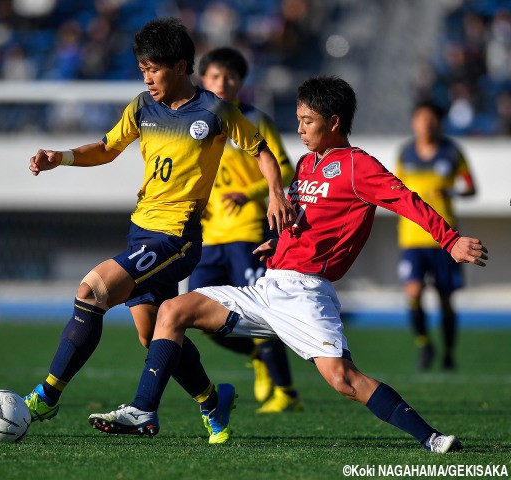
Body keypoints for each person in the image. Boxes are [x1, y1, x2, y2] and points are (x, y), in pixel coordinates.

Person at [89, 76, 488, 453]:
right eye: (297, 119)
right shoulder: (307, 163)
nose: (299, 128)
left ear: (334, 122)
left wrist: (449, 240)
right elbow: (304, 217)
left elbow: (406, 200)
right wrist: (277, 242)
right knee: (173, 310)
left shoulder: (357, 166)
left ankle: (432, 438)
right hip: (268, 286)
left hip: (306, 294)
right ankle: (144, 409)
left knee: (344, 380)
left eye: (307, 121)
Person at [23, 17, 294, 445]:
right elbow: (108, 148)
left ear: (182, 65)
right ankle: (212, 400)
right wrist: (63, 157)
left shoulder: (216, 111)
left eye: (155, 68)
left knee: (91, 290)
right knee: (155, 333)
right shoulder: (141, 107)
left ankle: (48, 394)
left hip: (176, 237)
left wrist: (275, 193)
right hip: (141, 231)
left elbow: (261, 150)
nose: (148, 78)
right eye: (143, 69)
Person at [189, 47, 301, 413]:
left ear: (241, 82)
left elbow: (284, 170)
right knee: (199, 316)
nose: (224, 82)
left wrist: (252, 192)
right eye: (216, 76)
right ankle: (255, 352)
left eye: (231, 76)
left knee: (265, 313)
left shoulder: (255, 120)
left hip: (249, 231)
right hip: (210, 237)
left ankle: (286, 393)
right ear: (203, 80)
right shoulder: (193, 124)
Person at [396, 100, 476, 372]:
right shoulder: (405, 153)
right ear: (414, 122)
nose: (425, 124)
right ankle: (424, 344)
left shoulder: (452, 152)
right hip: (412, 238)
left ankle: (449, 353)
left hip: (445, 240)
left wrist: (450, 193)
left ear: (438, 122)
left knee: (445, 299)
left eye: (430, 119)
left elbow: (470, 187)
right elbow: (396, 190)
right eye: (421, 119)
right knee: (413, 291)